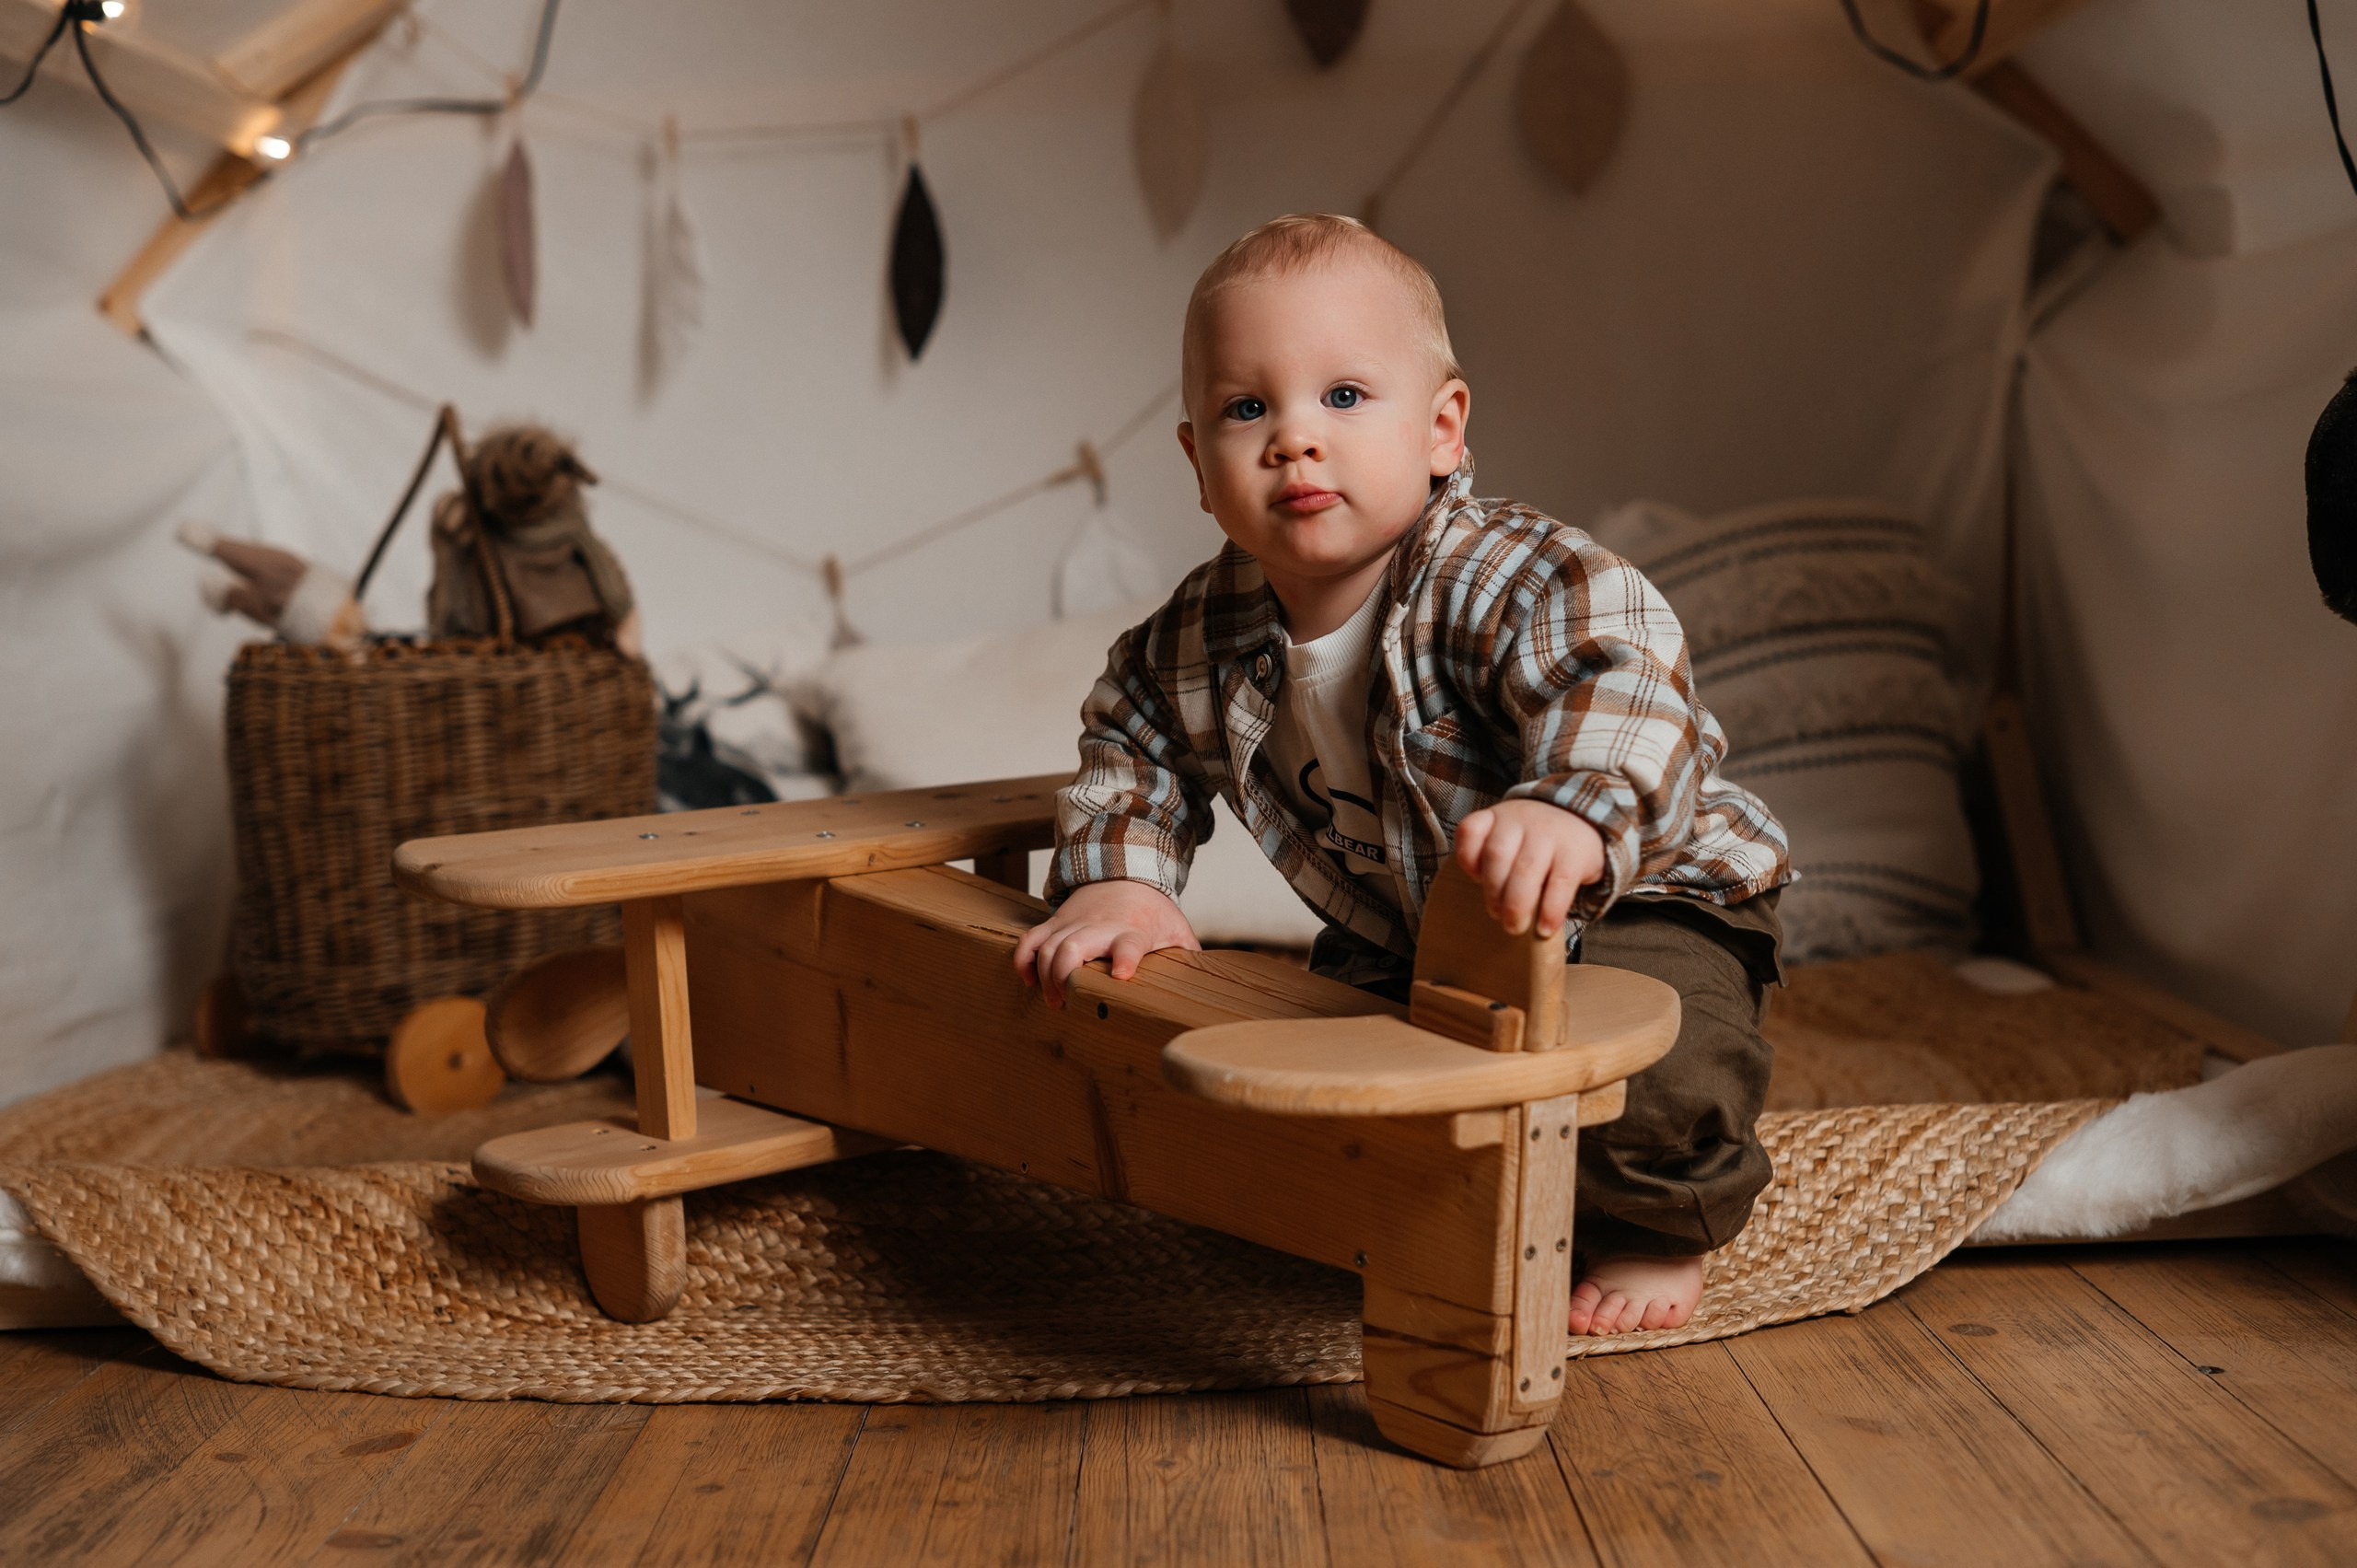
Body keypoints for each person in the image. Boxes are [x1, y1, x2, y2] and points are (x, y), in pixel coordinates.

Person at [1012, 214, 1792, 1334]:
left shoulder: (1509, 575)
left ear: (1441, 429)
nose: (1293, 440)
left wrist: (1568, 808)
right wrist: (1122, 879)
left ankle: (1658, 1226)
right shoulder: (1196, 634)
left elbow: (1623, 672)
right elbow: (1129, 744)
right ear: (1197, 463)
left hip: (1643, 889)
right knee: (1333, 1088)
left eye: (1342, 397)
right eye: (1247, 408)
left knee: (1651, 1079)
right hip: (1414, 923)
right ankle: (1433, 1192)